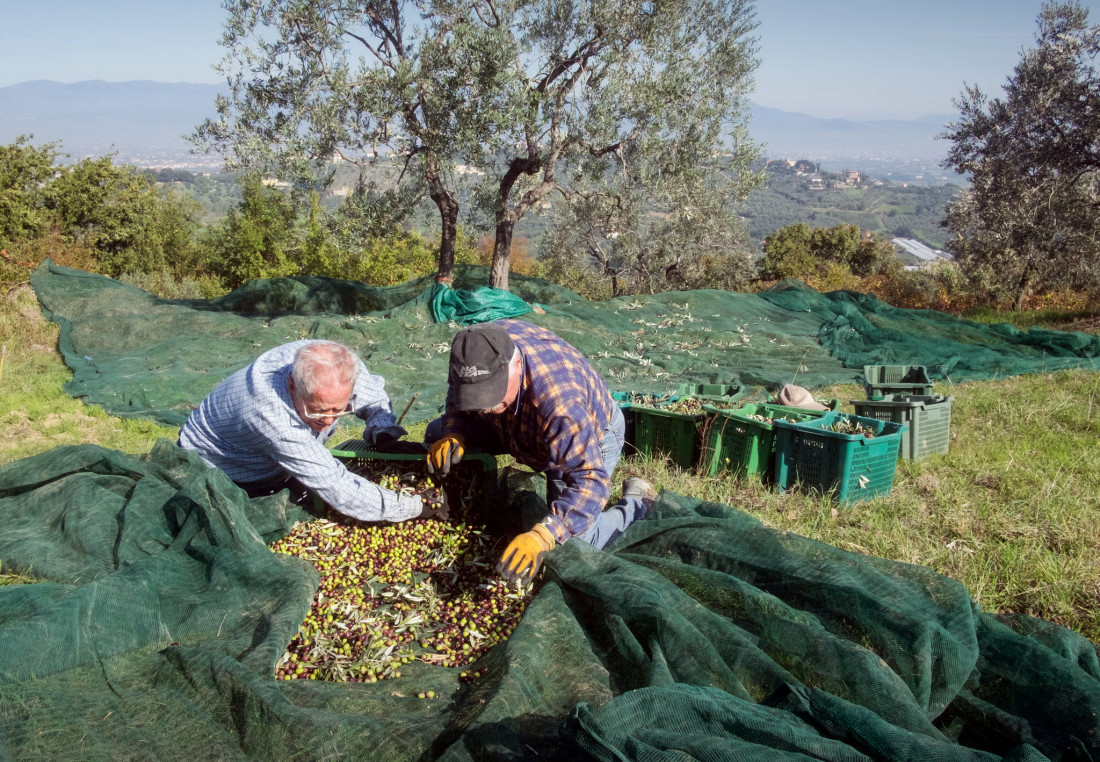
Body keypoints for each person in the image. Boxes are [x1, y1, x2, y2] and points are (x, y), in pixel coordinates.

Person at [425, 320, 656, 583]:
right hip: (516, 426)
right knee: (437, 433)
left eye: (492, 396)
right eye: (477, 398)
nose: (485, 408)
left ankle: (637, 503)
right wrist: (454, 432)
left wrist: (543, 534)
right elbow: (458, 401)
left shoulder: (560, 406)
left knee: (577, 543)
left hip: (589, 437)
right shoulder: (476, 348)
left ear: (516, 365)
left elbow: (590, 480)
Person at [179, 339, 444, 523]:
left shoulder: (335, 361)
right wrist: (416, 506)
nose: (329, 422)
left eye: (339, 410)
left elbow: (371, 395)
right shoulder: (270, 415)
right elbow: (339, 487)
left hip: (266, 451)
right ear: (293, 385)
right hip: (223, 469)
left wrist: (383, 431)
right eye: (317, 411)